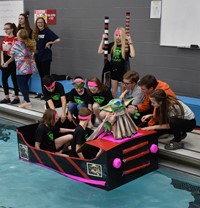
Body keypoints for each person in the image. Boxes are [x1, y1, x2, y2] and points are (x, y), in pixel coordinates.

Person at [2, 29, 37, 109]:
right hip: (30, 68)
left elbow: (10, 54)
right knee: (25, 84)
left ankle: (27, 102)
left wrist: (13, 44)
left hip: (22, 68)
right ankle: (25, 100)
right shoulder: (30, 43)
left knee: (21, 85)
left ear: (19, 36)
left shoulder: (17, 44)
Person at [98, 27, 135, 98]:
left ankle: (122, 106)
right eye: (117, 35)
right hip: (113, 71)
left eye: (120, 36)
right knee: (113, 92)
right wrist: (103, 39)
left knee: (122, 93)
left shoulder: (126, 46)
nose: (118, 37)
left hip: (123, 71)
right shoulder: (112, 45)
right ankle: (113, 105)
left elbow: (133, 55)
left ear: (123, 36)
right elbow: (100, 51)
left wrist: (130, 40)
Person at [32, 17, 61, 99]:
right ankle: (43, 92)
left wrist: (50, 42)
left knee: (46, 76)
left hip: (45, 56)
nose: (40, 24)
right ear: (36, 24)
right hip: (38, 56)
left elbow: (58, 39)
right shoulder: (35, 33)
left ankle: (49, 93)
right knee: (41, 76)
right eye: (38, 22)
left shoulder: (47, 32)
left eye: (41, 22)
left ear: (44, 23)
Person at [0, 22, 20, 104]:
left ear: (12, 29)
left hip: (12, 61)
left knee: (14, 79)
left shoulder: (15, 39)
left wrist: (7, 63)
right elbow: (1, 51)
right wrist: (2, 61)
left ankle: (16, 97)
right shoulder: (4, 38)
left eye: (7, 29)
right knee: (4, 79)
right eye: (5, 29)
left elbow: (14, 54)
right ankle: (6, 97)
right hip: (4, 60)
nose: (6, 30)